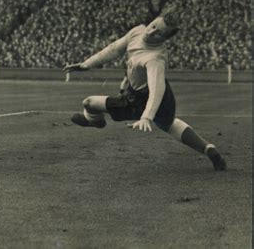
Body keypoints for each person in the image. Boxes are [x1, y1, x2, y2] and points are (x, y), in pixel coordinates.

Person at [63, 11, 227, 172]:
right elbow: (113, 49)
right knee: (169, 124)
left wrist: (146, 117)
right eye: (153, 25)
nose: (151, 32)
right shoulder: (137, 31)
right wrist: (86, 64)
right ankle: (209, 149)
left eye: (158, 33)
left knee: (89, 102)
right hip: (155, 95)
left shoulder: (154, 58)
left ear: (164, 40)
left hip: (143, 98)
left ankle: (95, 121)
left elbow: (156, 90)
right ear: (152, 21)